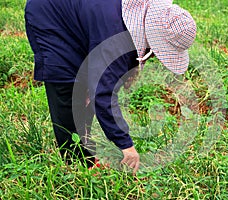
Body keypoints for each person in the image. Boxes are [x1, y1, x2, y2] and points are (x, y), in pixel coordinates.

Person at [24, 0, 196, 174]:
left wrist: (130, 70)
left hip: (82, 17)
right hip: (49, 12)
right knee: (68, 85)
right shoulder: (114, 37)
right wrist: (126, 145)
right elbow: (102, 94)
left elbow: (124, 58)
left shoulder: (140, 15)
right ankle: (76, 166)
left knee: (87, 88)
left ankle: (85, 153)